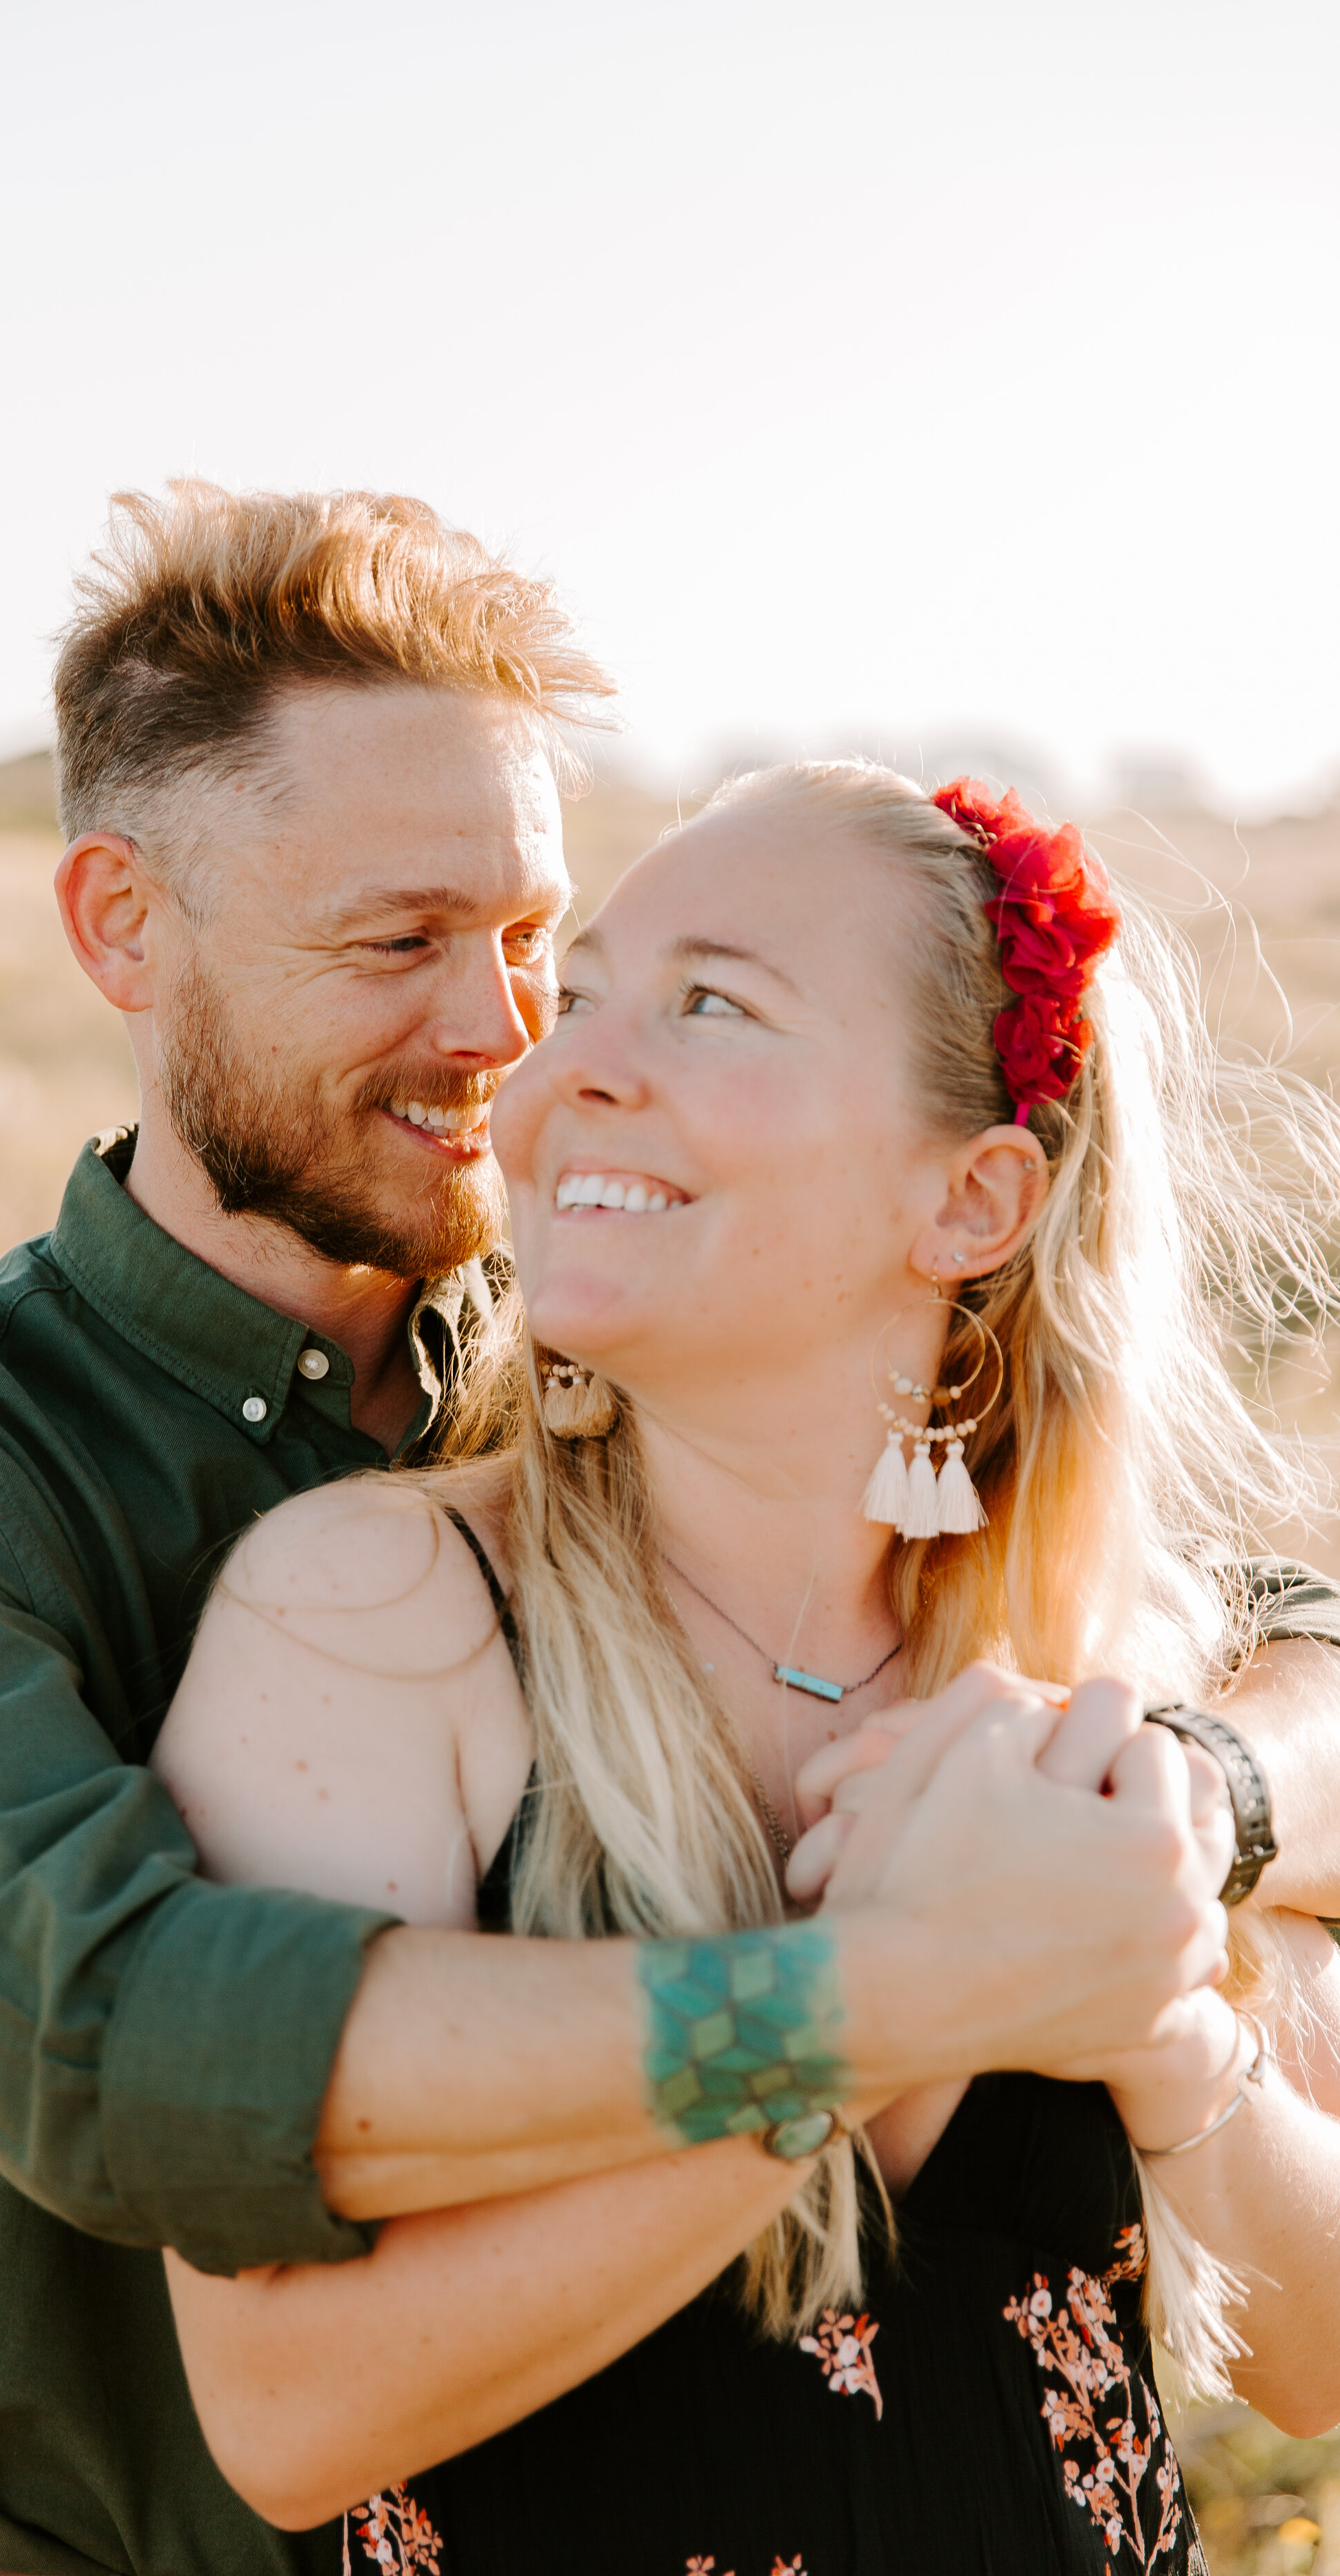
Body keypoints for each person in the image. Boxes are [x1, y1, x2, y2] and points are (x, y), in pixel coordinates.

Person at [0, 482, 1340, 2576]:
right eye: (395, 944)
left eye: (534, 943)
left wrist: (1179, 1804)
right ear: (120, 925)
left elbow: (1265, 1633)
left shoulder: (635, 1373)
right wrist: (898, 1987)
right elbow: (119, 2046)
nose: (504, 1036)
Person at [153, 760, 1340, 2573]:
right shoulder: (380, 1617)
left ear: (971, 1201)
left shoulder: (1108, 1662)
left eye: (709, 1002)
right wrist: (908, 1995)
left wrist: (1158, 2030)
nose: (559, 1069)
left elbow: (1310, 2370)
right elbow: (285, 2412)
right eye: (588, 996)